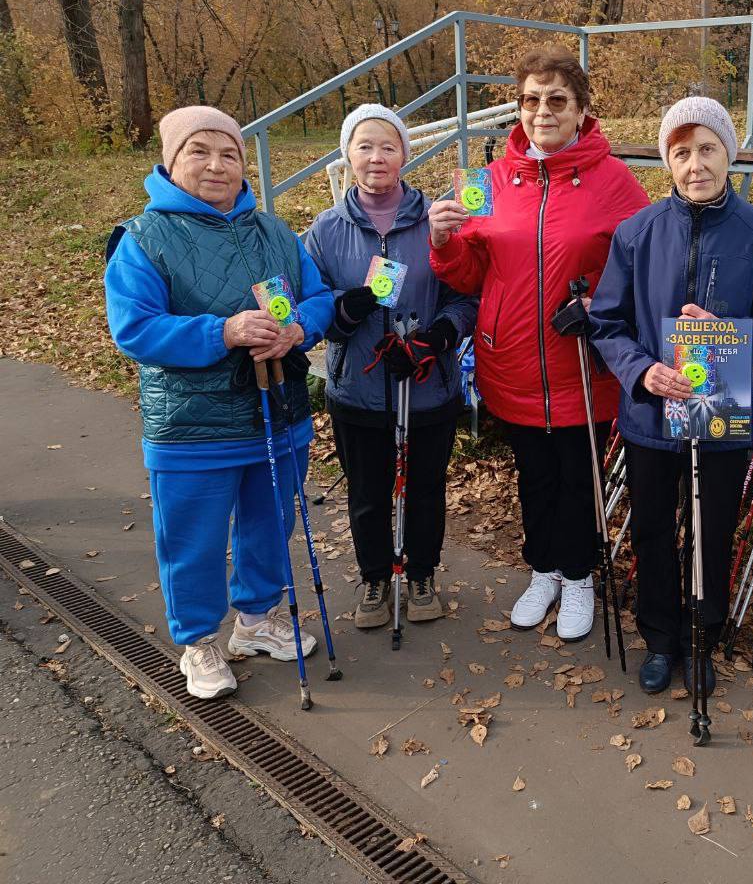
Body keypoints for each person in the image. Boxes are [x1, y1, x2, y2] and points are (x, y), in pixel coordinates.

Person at [104, 106, 335, 700]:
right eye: (198, 152)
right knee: (193, 539)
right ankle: (198, 640)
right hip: (192, 425)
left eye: (228, 153)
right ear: (171, 162)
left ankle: (257, 622)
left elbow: (318, 298)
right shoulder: (143, 238)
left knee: (269, 524)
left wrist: (298, 329)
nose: (215, 165)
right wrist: (223, 333)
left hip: (275, 411)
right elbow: (134, 328)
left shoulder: (275, 232)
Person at [428, 44, 650, 644]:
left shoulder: (614, 180)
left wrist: (598, 305)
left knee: (579, 475)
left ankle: (579, 576)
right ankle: (544, 569)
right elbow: (472, 274)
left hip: (582, 363)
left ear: (581, 110)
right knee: (533, 474)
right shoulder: (489, 179)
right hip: (514, 358)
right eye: (530, 100)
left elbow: (641, 266)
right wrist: (445, 243)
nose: (542, 111)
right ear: (517, 109)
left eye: (557, 100)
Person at [590, 96, 753, 694]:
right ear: (668, 163)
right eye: (681, 153)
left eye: (706, 149)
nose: (694, 165)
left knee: (711, 528)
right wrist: (641, 371)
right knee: (653, 527)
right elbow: (607, 322)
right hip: (651, 413)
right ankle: (660, 637)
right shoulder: (636, 233)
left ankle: (704, 633)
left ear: (727, 154)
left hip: (721, 414)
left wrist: (732, 335)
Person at [304, 105, 477, 630]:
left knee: (425, 487)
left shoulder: (438, 219)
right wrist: (340, 310)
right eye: (364, 147)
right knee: (367, 491)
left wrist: (441, 336)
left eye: (387, 146)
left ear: (404, 153)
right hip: (358, 388)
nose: (376, 157)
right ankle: (376, 577)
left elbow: (466, 294)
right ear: (346, 155)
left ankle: (421, 574)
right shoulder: (325, 230)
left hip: (426, 385)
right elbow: (306, 304)